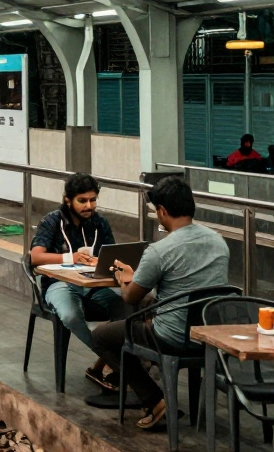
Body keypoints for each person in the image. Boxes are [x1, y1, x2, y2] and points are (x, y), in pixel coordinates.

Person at [89, 176, 231, 430]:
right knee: (147, 311)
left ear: (163, 211)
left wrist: (124, 279)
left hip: (172, 337)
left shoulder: (160, 250)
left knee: (102, 336)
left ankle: (154, 400)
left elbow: (130, 297)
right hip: (208, 335)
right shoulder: (218, 242)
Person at [29, 173, 122, 391]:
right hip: (58, 283)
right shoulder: (52, 221)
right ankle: (115, 361)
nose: (89, 206)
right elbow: (35, 256)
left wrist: (102, 262)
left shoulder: (100, 223)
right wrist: (70, 258)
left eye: (93, 200)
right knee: (70, 316)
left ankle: (112, 363)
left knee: (127, 306)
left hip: (94, 284)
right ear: (68, 200)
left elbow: (112, 255)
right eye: (83, 201)